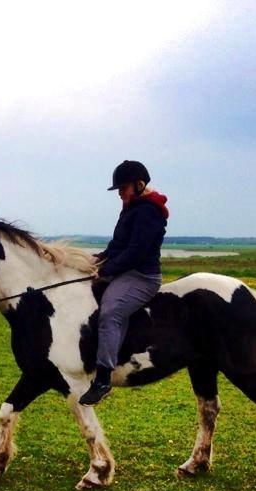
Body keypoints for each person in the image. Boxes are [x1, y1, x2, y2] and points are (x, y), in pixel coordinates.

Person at [79, 160, 169, 406]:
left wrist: (106, 270)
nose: (120, 192)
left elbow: (136, 252)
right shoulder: (131, 207)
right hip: (124, 272)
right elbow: (118, 245)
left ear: (139, 185)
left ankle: (103, 379)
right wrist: (98, 259)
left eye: (123, 187)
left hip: (142, 277)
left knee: (110, 312)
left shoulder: (149, 211)